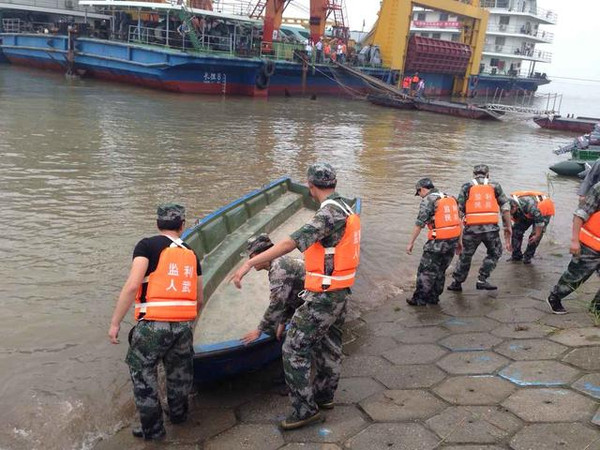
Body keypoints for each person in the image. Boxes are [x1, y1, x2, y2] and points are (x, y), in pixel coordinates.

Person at [231, 163, 360, 431]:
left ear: (311, 186)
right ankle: (324, 398)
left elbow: (290, 243)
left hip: (323, 295)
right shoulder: (346, 209)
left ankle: (304, 410)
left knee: (293, 350)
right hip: (339, 291)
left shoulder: (329, 213)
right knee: (330, 346)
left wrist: (247, 265)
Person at [108, 204, 203, 440]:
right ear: (182, 225)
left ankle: (153, 430)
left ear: (157, 224)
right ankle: (179, 415)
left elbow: (132, 286)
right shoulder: (191, 253)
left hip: (153, 326)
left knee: (143, 375)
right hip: (182, 327)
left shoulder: (146, 245)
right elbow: (199, 298)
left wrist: (115, 323)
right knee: (179, 373)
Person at [447, 164, 512, 292]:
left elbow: (459, 211)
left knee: (465, 255)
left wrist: (457, 235)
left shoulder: (467, 186)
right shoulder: (495, 186)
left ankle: (457, 283)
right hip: (491, 230)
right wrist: (507, 227)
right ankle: (482, 279)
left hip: (471, 230)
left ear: (473, 174)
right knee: (495, 253)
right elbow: (505, 206)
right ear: (488, 174)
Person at [406, 178, 462, 306]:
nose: (419, 196)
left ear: (422, 189)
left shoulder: (428, 200)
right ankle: (434, 297)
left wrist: (411, 243)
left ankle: (419, 299)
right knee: (441, 270)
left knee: (425, 270)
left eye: (418, 193)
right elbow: (459, 221)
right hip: (452, 240)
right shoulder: (451, 198)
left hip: (438, 242)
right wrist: (460, 242)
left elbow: (419, 224)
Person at [241, 234, 305, 345]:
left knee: (294, 347)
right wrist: (283, 321)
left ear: (259, 255)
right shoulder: (278, 262)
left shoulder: (278, 269)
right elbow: (289, 296)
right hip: (309, 299)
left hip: (321, 303)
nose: (250, 261)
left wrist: (259, 330)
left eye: (251, 256)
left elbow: (277, 303)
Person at [547, 182, 600, 315]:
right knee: (576, 277)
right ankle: (555, 296)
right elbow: (580, 214)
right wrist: (575, 241)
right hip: (590, 244)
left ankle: (596, 308)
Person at [508, 191, 555, 264]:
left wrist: (537, 235)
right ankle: (516, 256)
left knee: (534, 236)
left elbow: (540, 222)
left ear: (515, 207)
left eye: (510, 212)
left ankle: (528, 257)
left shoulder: (531, 206)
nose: (509, 214)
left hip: (543, 211)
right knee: (516, 230)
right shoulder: (507, 206)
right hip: (527, 211)